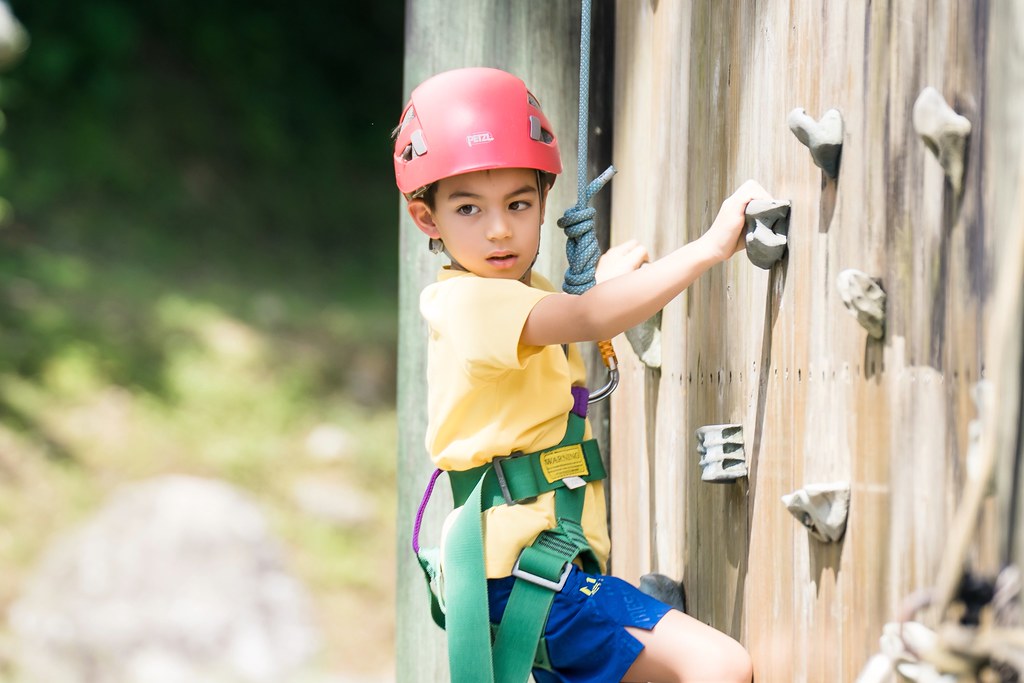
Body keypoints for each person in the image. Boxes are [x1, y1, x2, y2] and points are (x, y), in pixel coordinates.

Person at [395, 66, 764, 683]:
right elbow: (585, 316)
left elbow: (569, 313)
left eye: (519, 203)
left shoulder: (513, 293)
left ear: (544, 201)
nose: (498, 228)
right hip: (526, 575)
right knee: (718, 667)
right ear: (427, 220)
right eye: (468, 208)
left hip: (533, 573)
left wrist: (613, 287)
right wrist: (709, 248)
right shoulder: (467, 302)